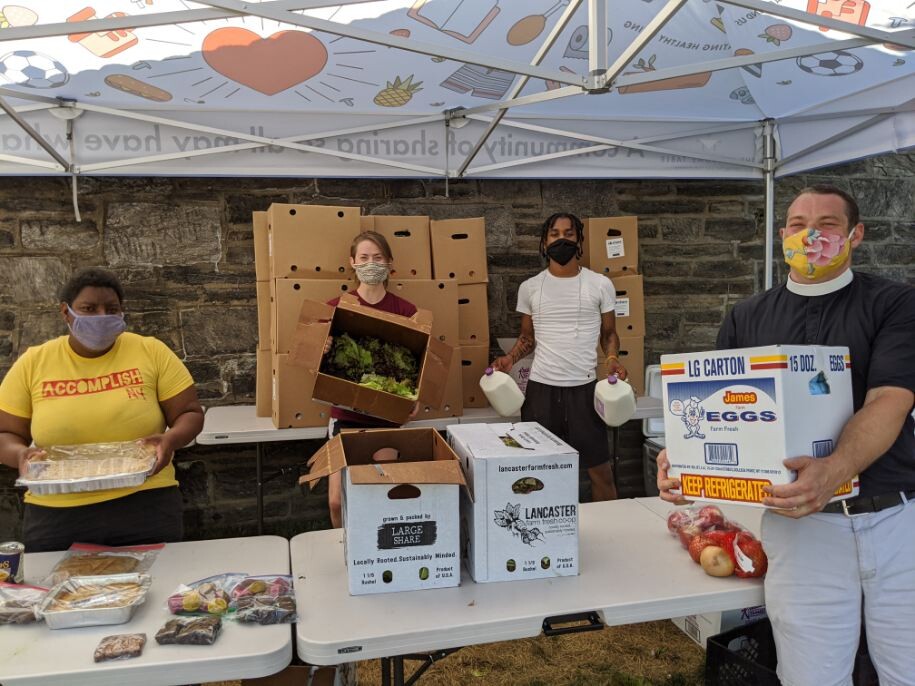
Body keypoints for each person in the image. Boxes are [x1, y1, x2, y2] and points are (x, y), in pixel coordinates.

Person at [657, 184, 915, 685]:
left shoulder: (896, 304)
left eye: (828, 225)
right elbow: (715, 409)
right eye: (798, 225)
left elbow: (890, 399)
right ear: (782, 236)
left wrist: (834, 470)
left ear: (856, 235)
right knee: (811, 674)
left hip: (896, 520)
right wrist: (685, 459)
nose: (811, 234)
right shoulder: (746, 316)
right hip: (802, 529)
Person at [0, 268, 204, 552]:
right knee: (61, 593)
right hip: (57, 512)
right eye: (88, 308)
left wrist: (171, 440)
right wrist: (20, 455)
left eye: (111, 309)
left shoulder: (150, 351)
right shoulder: (34, 363)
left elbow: (190, 413)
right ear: (66, 312)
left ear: (122, 313)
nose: (100, 317)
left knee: (157, 588)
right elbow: (6, 433)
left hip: (146, 503)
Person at [491, 212, 628, 501]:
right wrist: (510, 359)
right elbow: (527, 339)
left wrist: (612, 357)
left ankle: (614, 531)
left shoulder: (599, 284)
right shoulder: (530, 288)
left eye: (569, 233)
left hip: (585, 390)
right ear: (544, 243)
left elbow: (608, 334)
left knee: (600, 471)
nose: (562, 239)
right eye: (554, 234)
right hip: (541, 392)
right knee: (537, 474)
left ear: (579, 240)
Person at [322, 230, 418, 528]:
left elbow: (420, 365)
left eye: (377, 258)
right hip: (345, 415)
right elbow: (314, 367)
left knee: (379, 494)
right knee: (337, 501)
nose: (371, 263)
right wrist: (320, 349)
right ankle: (344, 549)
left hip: (386, 418)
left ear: (390, 263)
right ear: (352, 263)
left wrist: (415, 398)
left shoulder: (406, 311)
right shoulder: (335, 307)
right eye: (364, 258)